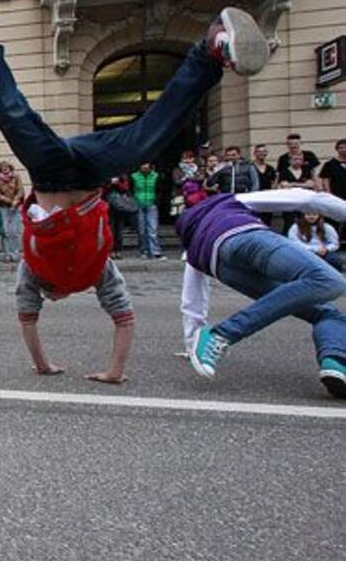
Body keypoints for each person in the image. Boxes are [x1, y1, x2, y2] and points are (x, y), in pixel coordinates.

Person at [0, 0, 269, 382]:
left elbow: (30, 320)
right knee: (148, 137)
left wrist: (44, 365)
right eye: (52, 298)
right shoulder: (94, 272)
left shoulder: (34, 275)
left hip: (49, 171)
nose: (53, 299)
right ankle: (211, 50)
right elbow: (122, 316)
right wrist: (113, 371)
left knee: (13, 113)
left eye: (50, 299)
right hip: (90, 172)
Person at [179, 189, 346, 397]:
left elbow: (192, 296)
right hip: (244, 238)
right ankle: (223, 333)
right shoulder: (230, 201)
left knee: (325, 312)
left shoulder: (192, 239)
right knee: (329, 281)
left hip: (221, 266)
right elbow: (305, 197)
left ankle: (336, 360)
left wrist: (192, 339)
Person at [130, 163, 164, 260]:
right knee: (141, 230)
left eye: (146, 165)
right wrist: (133, 201)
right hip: (138, 203)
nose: (144, 167)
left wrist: (157, 201)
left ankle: (155, 251)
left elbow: (160, 190)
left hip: (151, 203)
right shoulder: (134, 176)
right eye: (142, 164)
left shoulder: (156, 176)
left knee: (152, 229)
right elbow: (130, 189)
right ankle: (143, 250)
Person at [278, 151, 317, 233]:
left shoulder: (306, 171)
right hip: (288, 202)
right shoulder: (284, 172)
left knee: (304, 222)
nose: (298, 161)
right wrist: (302, 184)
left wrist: (292, 184)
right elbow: (284, 186)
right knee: (289, 223)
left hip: (303, 202)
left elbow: (311, 185)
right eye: (295, 159)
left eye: (300, 159)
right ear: (290, 161)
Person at [0, 162, 23, 263]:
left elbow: (21, 190)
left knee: (15, 231)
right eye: (2, 168)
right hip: (4, 207)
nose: (5, 169)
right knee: (5, 231)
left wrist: (15, 201)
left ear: (10, 168)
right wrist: (8, 201)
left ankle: (15, 253)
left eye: (6, 167)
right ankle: (7, 254)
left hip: (16, 206)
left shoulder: (16, 177)